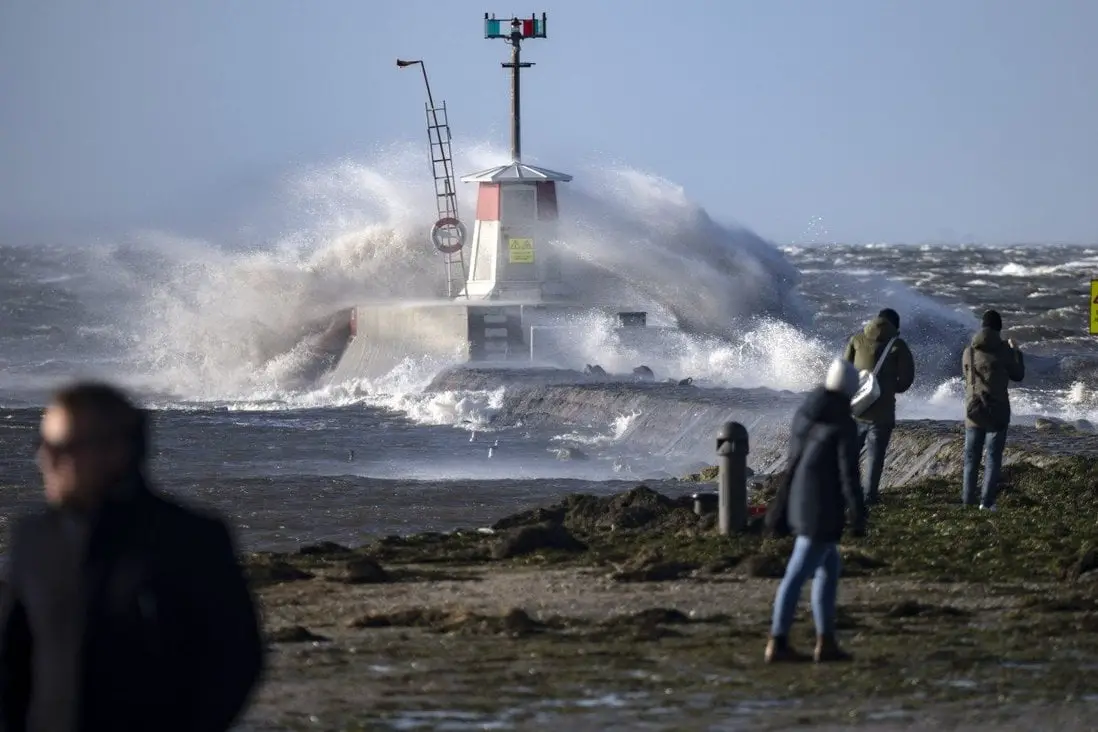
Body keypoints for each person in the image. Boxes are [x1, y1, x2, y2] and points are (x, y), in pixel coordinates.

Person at [0, 382, 264, 732]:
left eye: (62, 448)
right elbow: (10, 658)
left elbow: (236, 657)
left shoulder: (188, 537)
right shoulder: (34, 539)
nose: (45, 461)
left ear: (116, 451)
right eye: (43, 446)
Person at [766, 359, 867, 664]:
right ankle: (778, 641)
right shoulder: (843, 423)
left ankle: (826, 641)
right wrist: (858, 514)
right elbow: (848, 474)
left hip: (797, 496)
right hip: (821, 507)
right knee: (796, 574)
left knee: (828, 568)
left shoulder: (807, 412)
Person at [842, 308, 916, 505]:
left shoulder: (856, 340)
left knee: (850, 454)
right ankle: (868, 497)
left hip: (856, 410)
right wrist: (889, 388)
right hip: (882, 414)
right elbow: (907, 380)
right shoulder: (898, 345)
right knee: (875, 457)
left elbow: (844, 372)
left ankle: (846, 493)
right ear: (895, 326)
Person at [961, 310, 1025, 510]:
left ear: (982, 327)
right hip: (997, 412)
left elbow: (966, 375)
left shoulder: (968, 351)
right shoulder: (1004, 350)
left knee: (971, 459)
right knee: (992, 459)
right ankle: (986, 503)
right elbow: (1018, 375)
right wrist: (1017, 352)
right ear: (999, 328)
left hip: (974, 412)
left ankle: (967, 501)